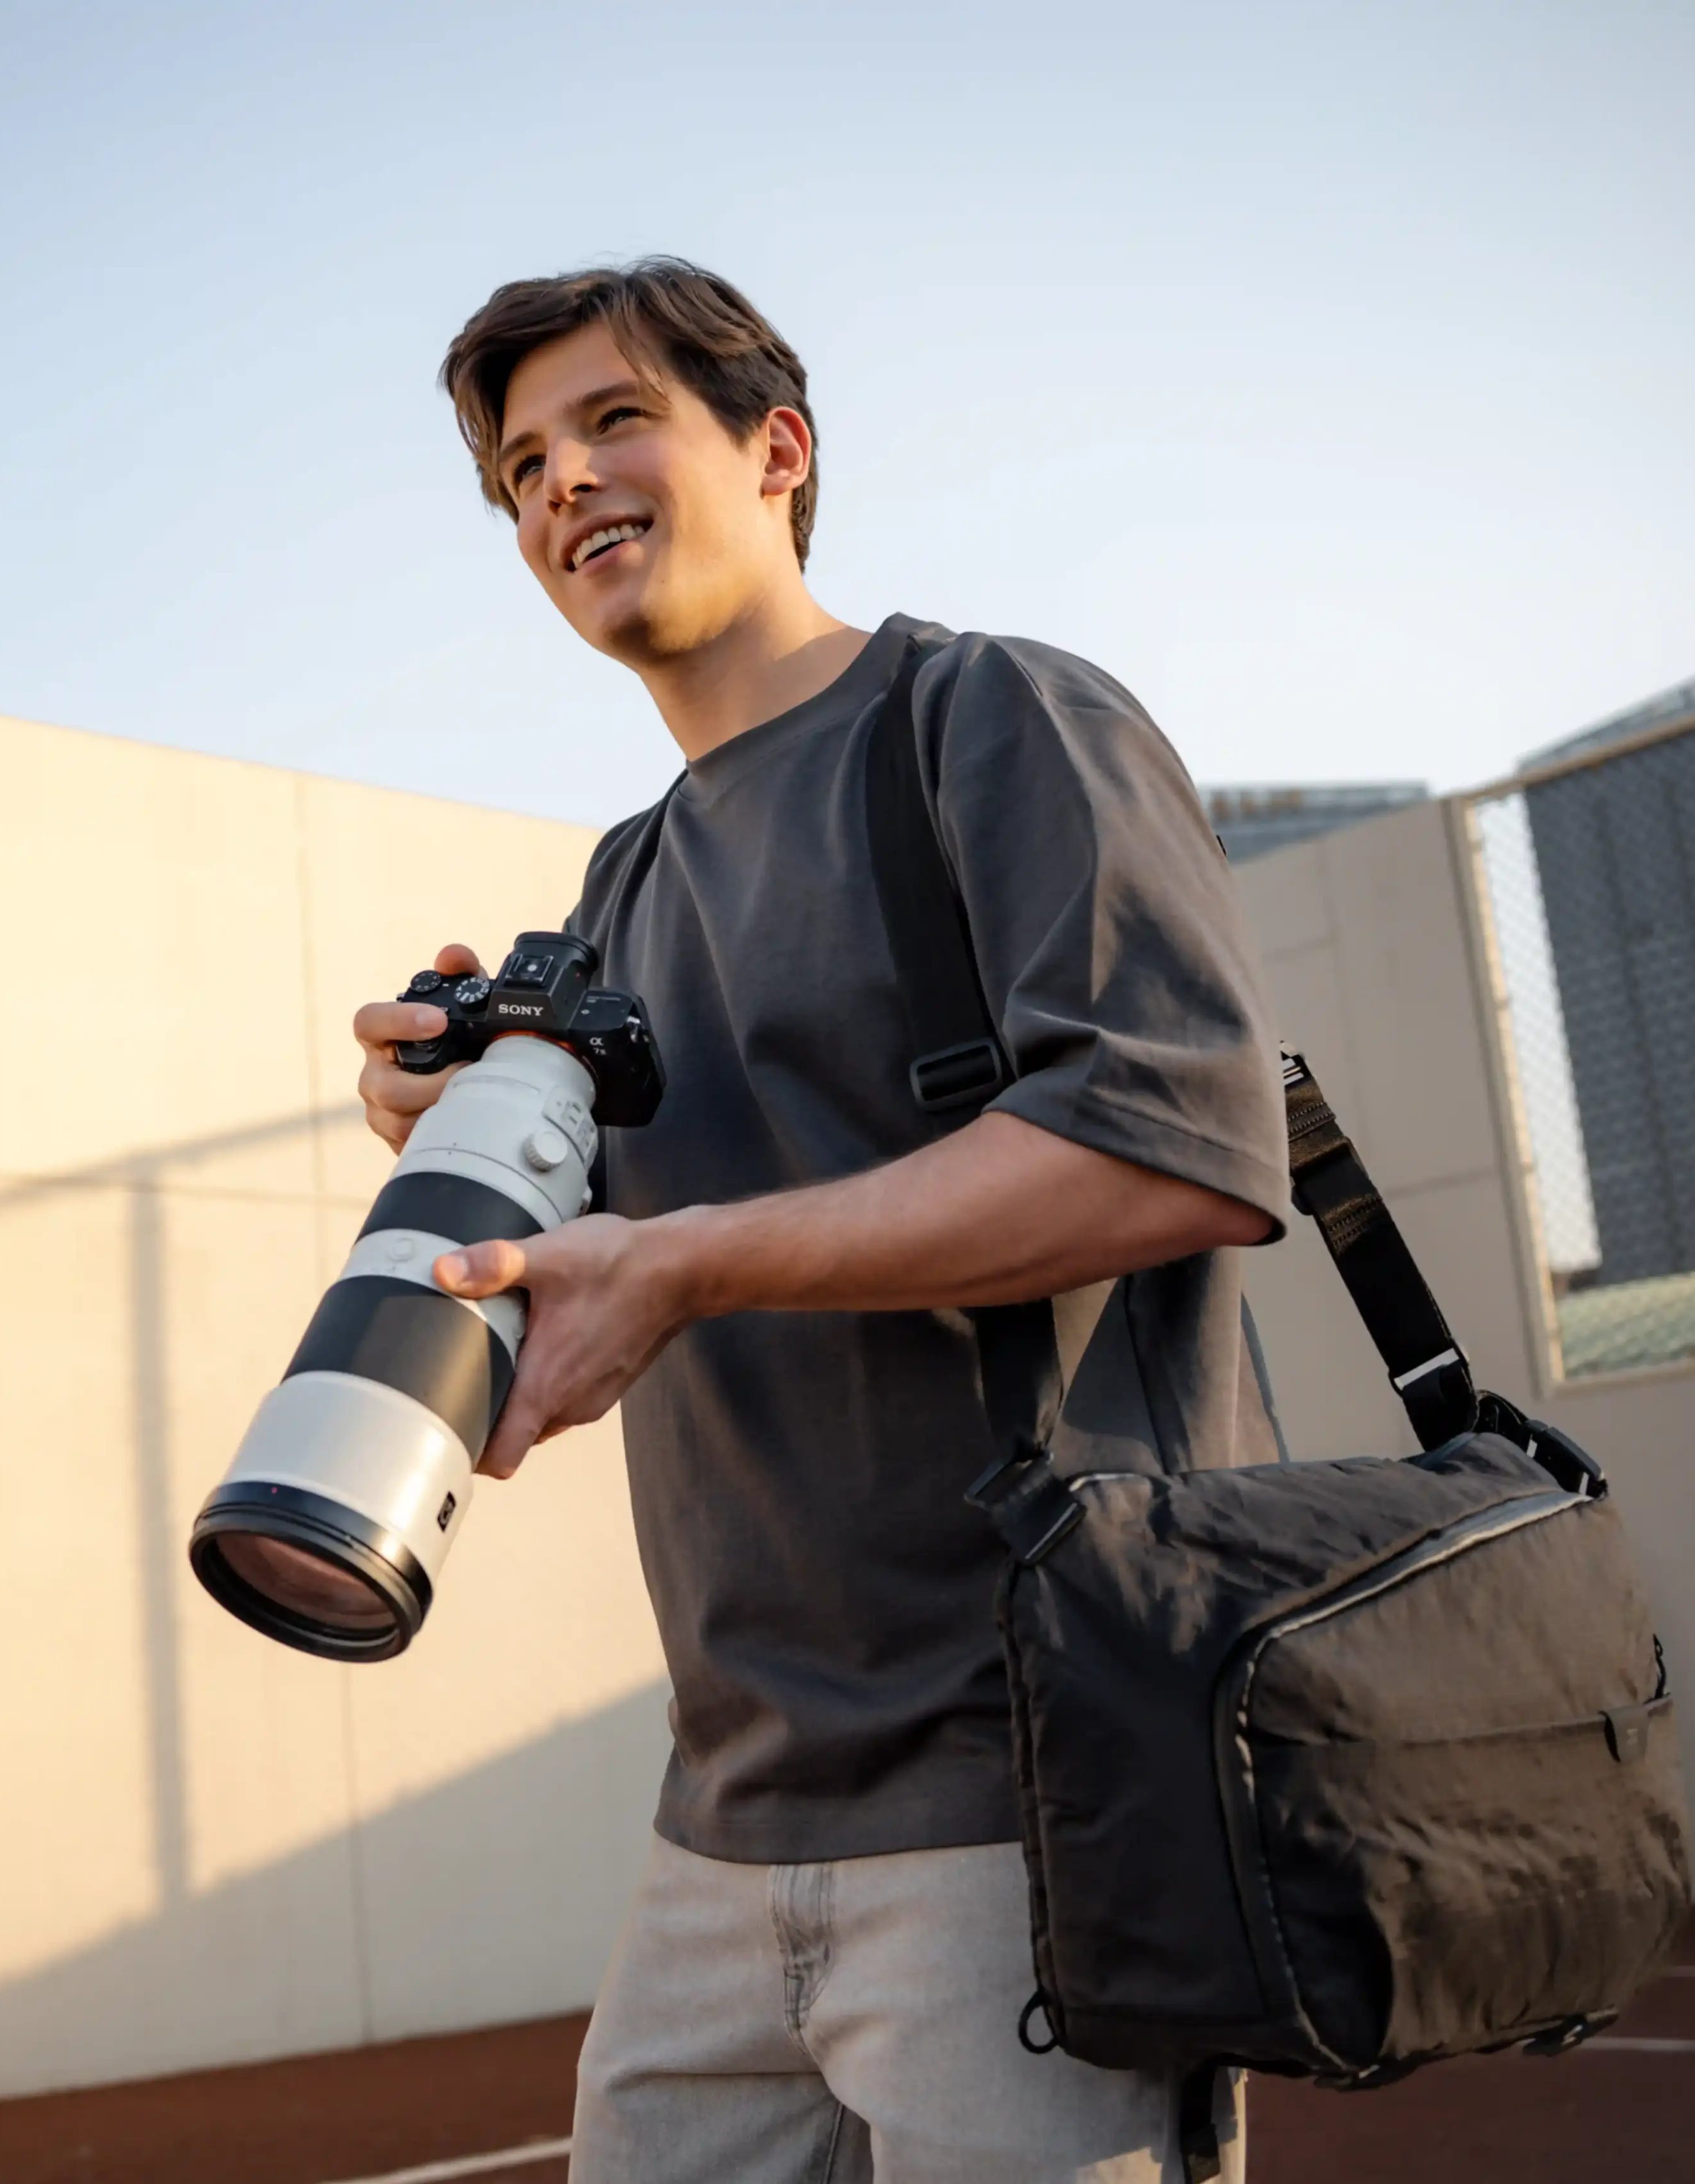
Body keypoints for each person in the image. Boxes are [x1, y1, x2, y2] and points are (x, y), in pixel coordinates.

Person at [353, 260, 1293, 2183]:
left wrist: (684, 1258)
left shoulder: (990, 720)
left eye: (615, 420)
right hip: (720, 1826)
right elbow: (596, 1292)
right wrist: (457, 1136)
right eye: (520, 465)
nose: (560, 485)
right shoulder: (621, 884)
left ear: (774, 451)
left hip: (1026, 1800)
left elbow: (1172, 1149)